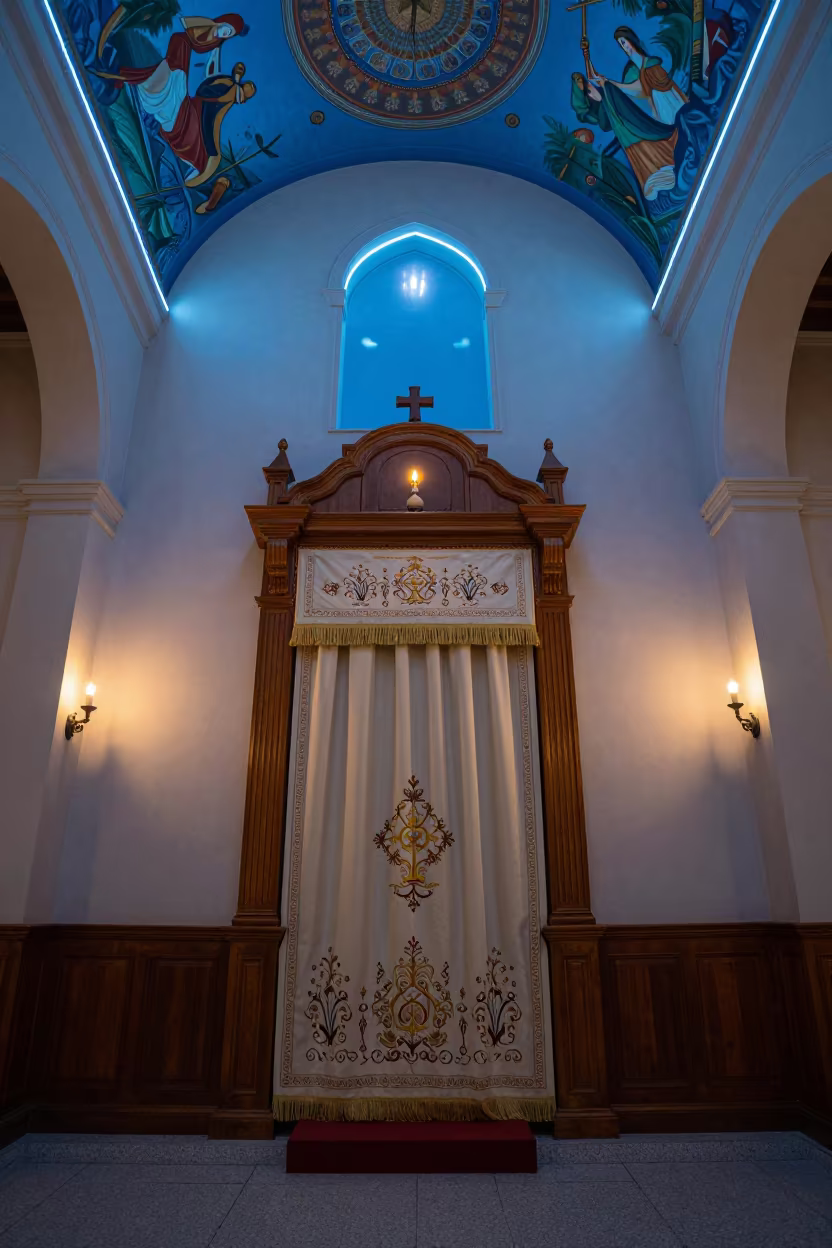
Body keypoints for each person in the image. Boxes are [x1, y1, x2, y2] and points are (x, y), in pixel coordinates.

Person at [573, 24, 687, 201]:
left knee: (672, 130)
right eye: (621, 44)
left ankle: (670, 162)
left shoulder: (647, 65)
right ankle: (659, 173)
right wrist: (587, 57)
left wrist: (608, 83)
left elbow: (637, 89)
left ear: (632, 41)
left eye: (625, 42)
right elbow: (603, 81)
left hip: (665, 101)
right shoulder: (630, 73)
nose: (624, 46)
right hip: (644, 116)